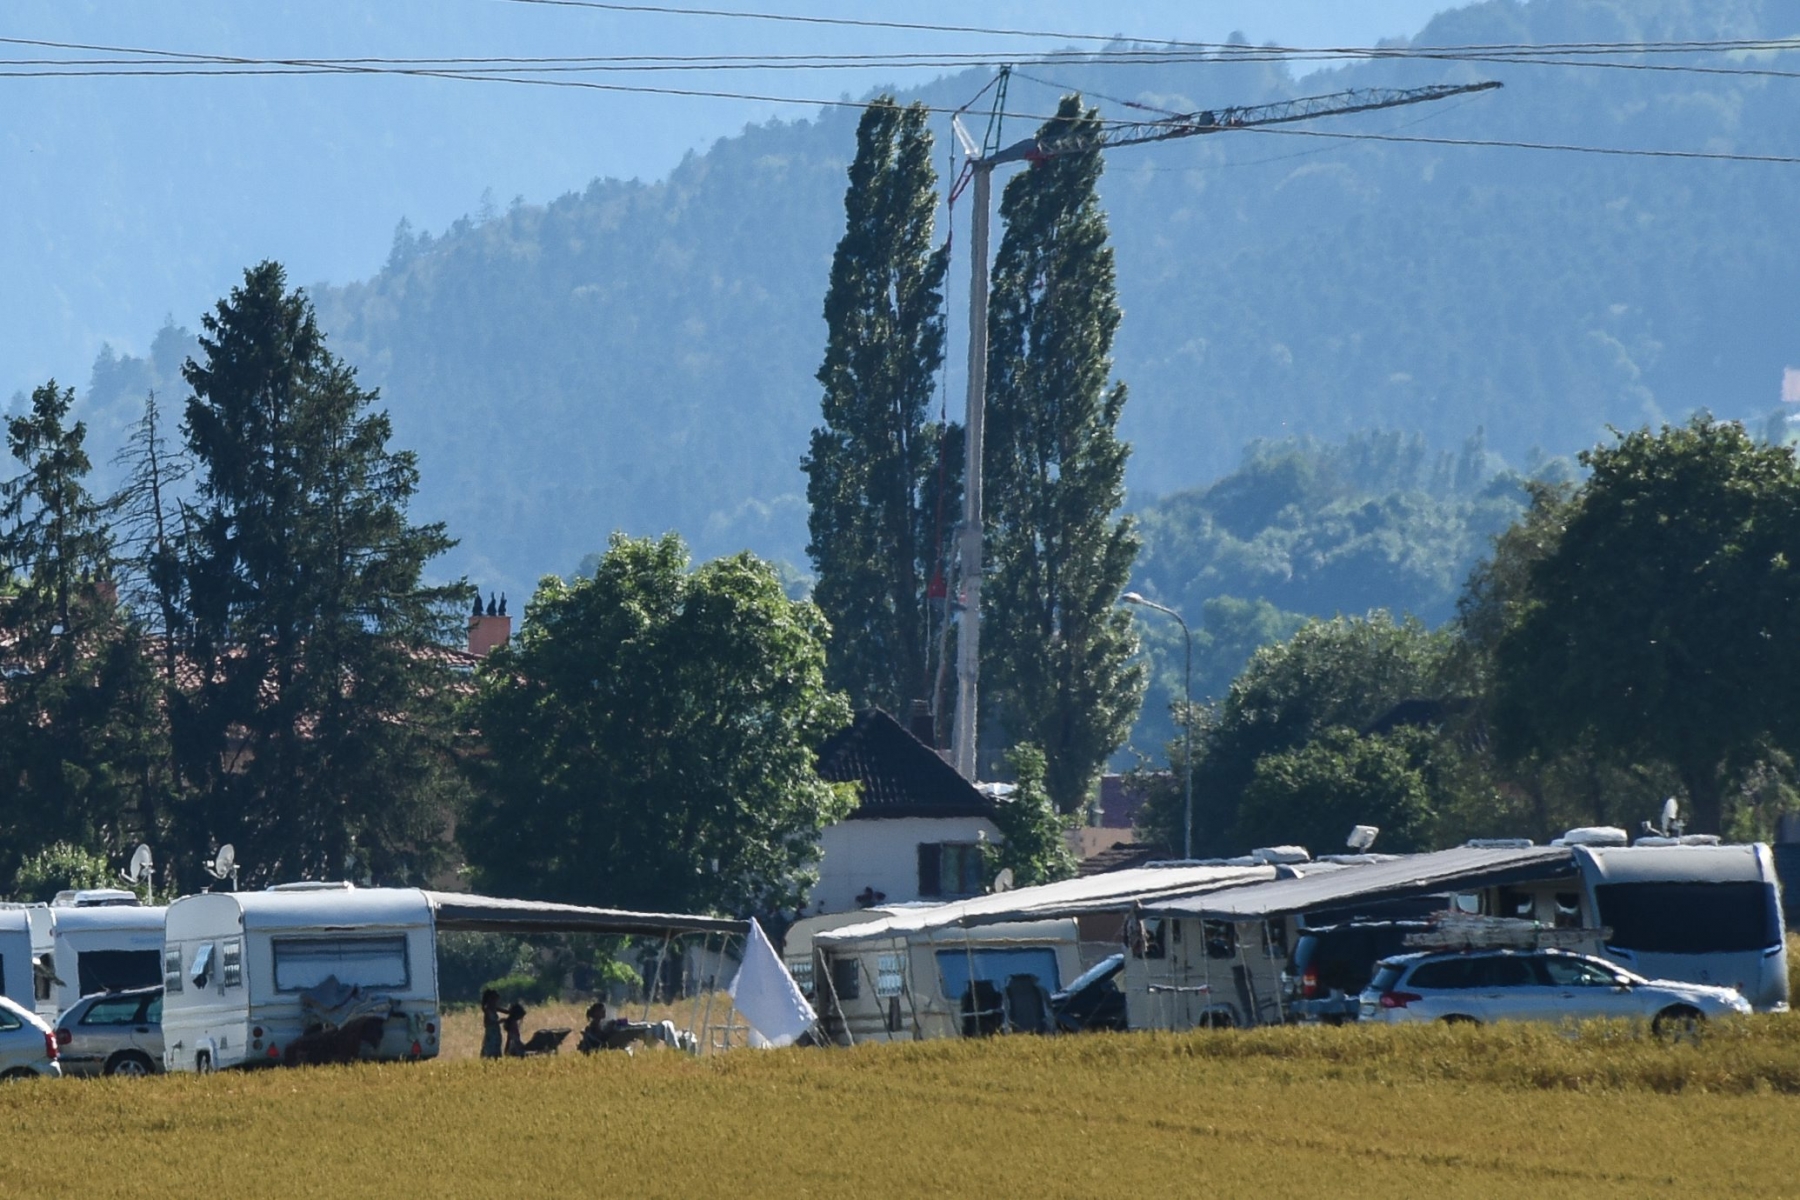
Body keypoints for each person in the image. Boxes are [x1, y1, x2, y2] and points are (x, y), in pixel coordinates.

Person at [480, 989, 504, 1059]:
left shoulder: (494, 1008)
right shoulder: (487, 1010)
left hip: (496, 1033)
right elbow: (487, 1023)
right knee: (490, 1051)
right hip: (491, 1034)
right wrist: (499, 1022)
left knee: (496, 1051)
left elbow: (506, 1011)